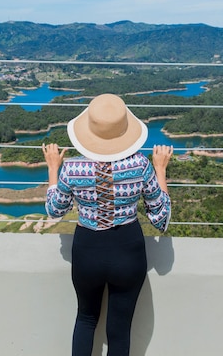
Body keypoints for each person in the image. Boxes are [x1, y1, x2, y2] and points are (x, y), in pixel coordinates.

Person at [42, 93, 173, 356]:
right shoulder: (141, 166)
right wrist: (160, 169)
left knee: (85, 320)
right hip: (128, 252)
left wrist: (53, 168)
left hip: (87, 252)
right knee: (120, 330)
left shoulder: (72, 168)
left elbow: (55, 209)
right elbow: (161, 218)